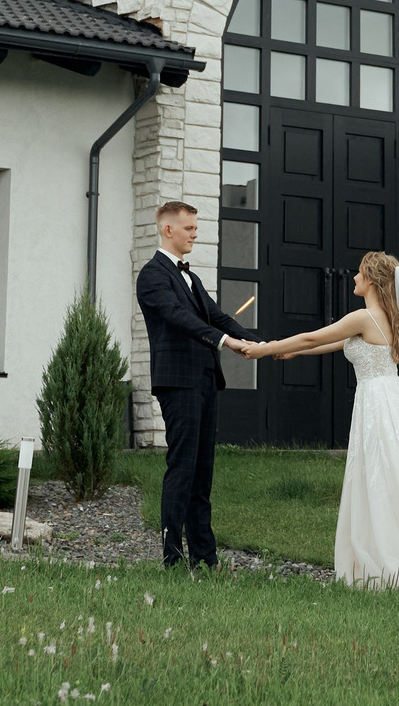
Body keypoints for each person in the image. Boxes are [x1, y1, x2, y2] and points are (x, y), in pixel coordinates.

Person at [246, 250, 399, 589]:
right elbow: (327, 344)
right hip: (391, 399)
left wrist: (266, 348)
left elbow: (315, 335)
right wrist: (291, 351)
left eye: (360, 273)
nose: (354, 278)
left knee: (387, 476)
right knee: (396, 478)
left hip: (380, 403)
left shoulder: (365, 317)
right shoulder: (388, 318)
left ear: (373, 281)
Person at [134, 199, 257, 568]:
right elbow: (177, 318)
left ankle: (205, 559)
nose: (195, 234)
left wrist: (257, 343)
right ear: (167, 229)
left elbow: (217, 316)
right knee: (182, 467)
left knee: (202, 472)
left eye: (196, 228)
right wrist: (225, 343)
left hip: (205, 380)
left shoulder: (191, 276)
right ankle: (172, 558)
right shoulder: (153, 275)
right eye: (189, 228)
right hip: (179, 382)